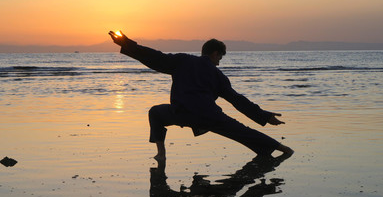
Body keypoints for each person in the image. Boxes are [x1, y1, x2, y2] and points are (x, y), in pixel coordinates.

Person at [109, 31, 293, 160]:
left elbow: (155, 57)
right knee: (242, 132)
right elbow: (237, 100)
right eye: (219, 58)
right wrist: (265, 116)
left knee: (155, 113)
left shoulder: (182, 61)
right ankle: (284, 149)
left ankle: (161, 154)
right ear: (214, 53)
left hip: (181, 113)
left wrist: (126, 43)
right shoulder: (217, 75)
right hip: (209, 116)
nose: (219, 63)